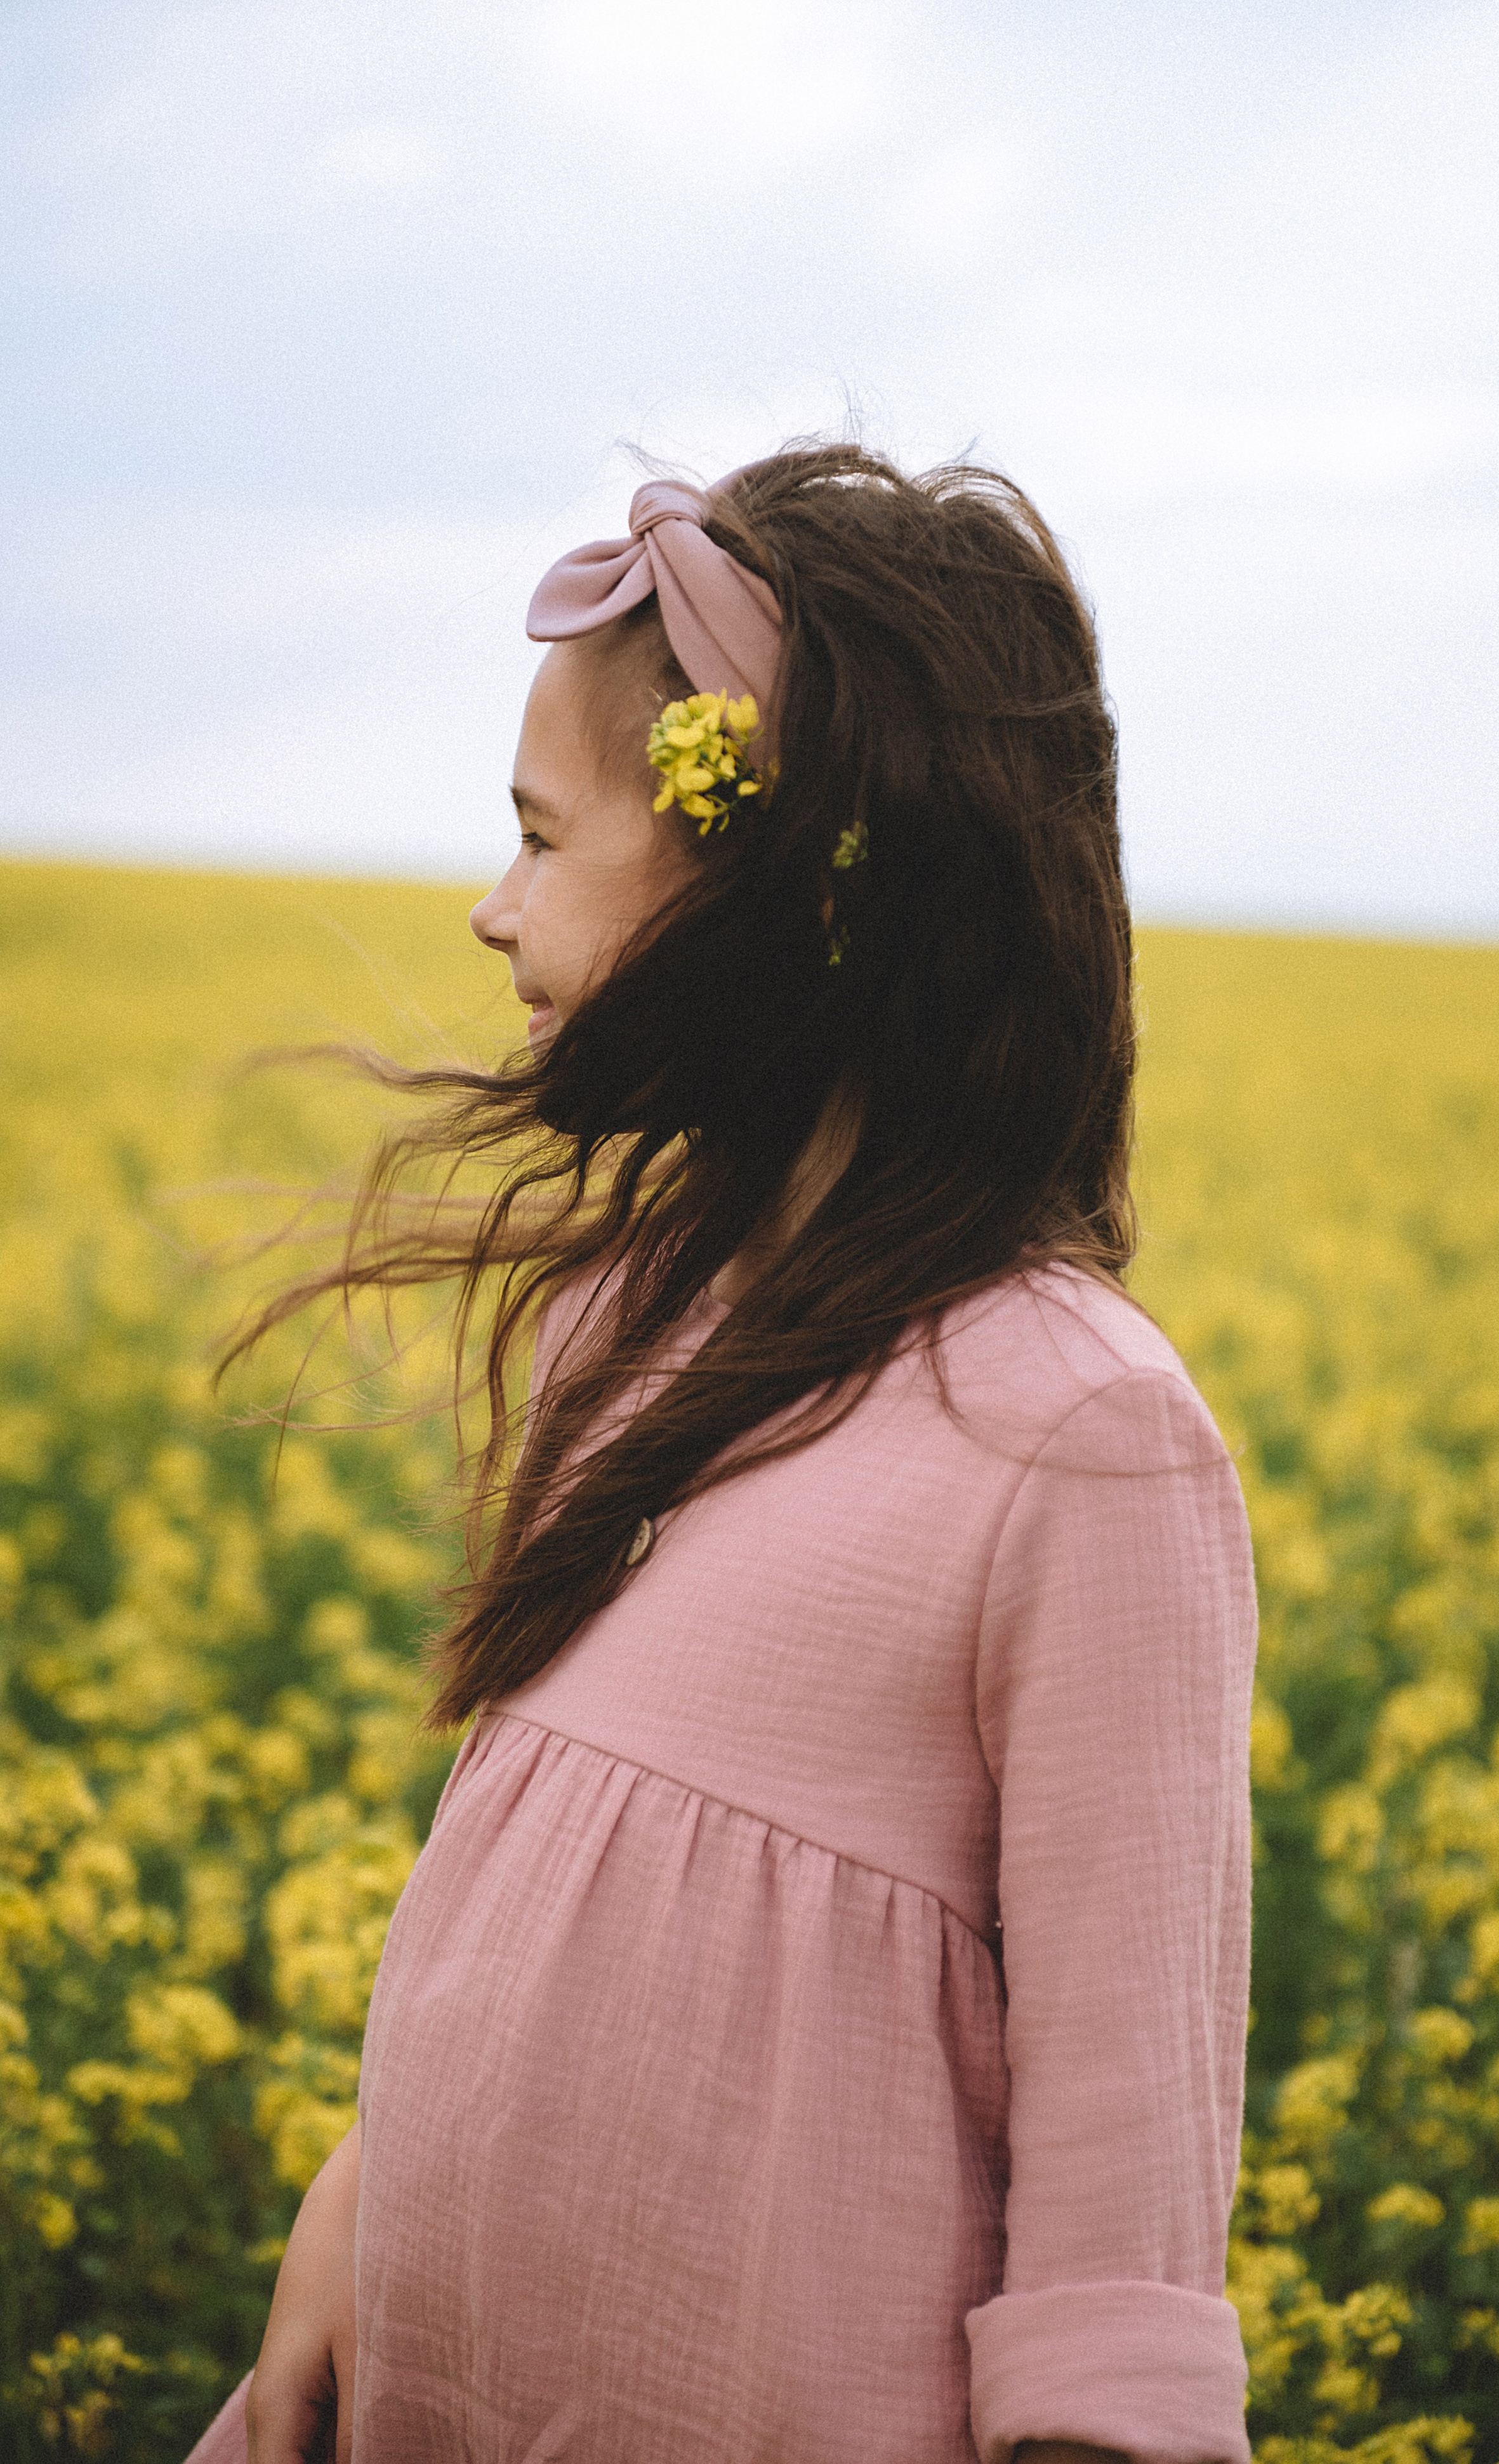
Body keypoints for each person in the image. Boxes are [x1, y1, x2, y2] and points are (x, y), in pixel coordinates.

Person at [188, 444, 1257, 2464]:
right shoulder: (633, 1321)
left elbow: (1121, 2235)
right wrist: (366, 2184)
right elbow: (534, 1903)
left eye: (541, 835)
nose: (492, 908)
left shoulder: (1084, 1442)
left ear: (773, 884)